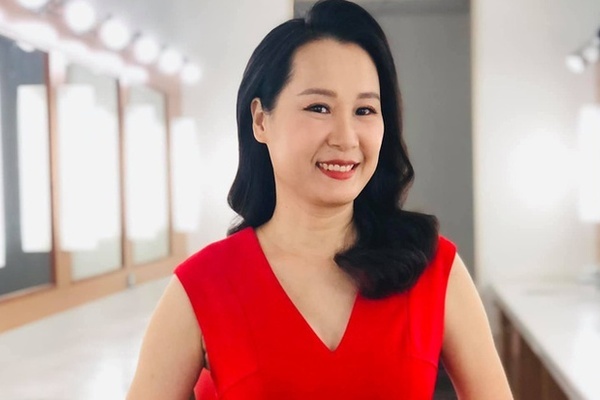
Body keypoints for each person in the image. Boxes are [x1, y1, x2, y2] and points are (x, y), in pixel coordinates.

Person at [127, 1, 513, 399]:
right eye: (319, 107)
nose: (346, 137)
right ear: (260, 120)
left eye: (365, 109)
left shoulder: (433, 269)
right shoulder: (203, 286)